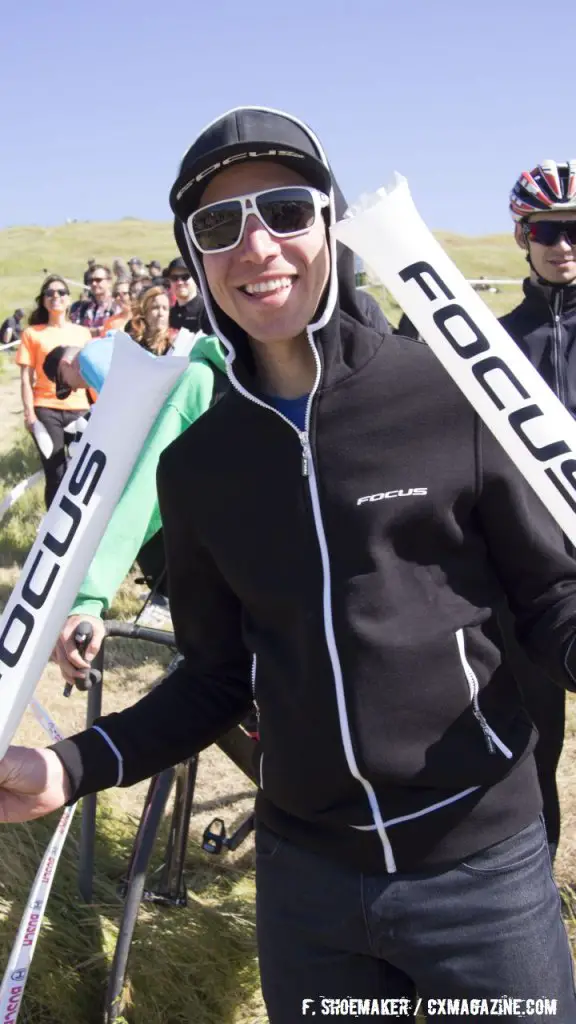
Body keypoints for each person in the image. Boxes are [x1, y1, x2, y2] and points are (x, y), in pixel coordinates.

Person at [3, 108, 576, 1022]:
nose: (257, 244)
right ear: (195, 258)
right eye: (219, 226)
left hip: (482, 873)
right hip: (309, 889)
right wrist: (74, 765)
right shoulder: (198, 465)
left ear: (331, 224)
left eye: (285, 210)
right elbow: (216, 677)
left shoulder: (450, 394)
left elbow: (551, 595)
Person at [40, 329, 228, 671]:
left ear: (67, 364)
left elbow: (127, 406)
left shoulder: (89, 356)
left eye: (65, 380)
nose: (74, 388)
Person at [495, 159, 576, 861]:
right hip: (531, 575)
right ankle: (532, 897)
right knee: (532, 742)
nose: (563, 244)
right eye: (548, 230)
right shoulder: (492, 342)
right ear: (522, 234)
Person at [15, 275, 91, 507]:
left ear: (69, 299)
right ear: (43, 301)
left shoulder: (83, 333)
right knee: (56, 471)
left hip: (81, 409)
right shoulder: (32, 334)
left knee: (84, 471)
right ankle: (53, 526)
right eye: (49, 293)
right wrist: (30, 414)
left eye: (61, 292)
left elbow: (91, 374)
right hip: (46, 409)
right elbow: (26, 379)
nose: (55, 296)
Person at [70, 264, 115, 336]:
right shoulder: (80, 307)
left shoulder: (117, 306)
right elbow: (74, 331)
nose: (94, 284)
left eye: (98, 280)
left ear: (109, 282)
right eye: (91, 281)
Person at [128, 284, 174, 354]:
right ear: (145, 312)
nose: (161, 313)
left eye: (165, 308)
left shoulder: (172, 345)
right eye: (155, 307)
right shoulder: (132, 342)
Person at [166, 256, 204, 333]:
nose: (179, 282)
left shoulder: (207, 312)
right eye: (174, 278)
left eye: (185, 277)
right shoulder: (169, 314)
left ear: (196, 279)